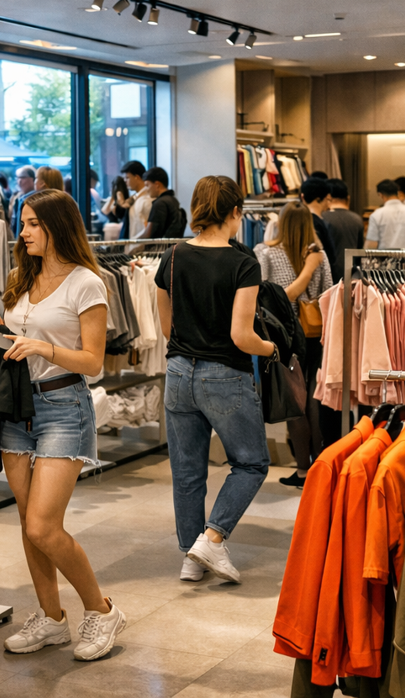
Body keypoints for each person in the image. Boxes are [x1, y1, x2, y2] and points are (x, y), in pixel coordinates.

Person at [0, 189, 124, 661]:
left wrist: (44, 348)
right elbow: (19, 339)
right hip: (18, 407)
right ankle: (52, 618)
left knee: (42, 525)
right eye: (23, 223)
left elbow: (93, 361)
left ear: (58, 226)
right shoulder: (22, 276)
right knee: (27, 520)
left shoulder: (86, 283)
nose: (24, 232)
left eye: (33, 223)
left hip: (63, 406)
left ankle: (101, 611)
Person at [155, 175, 274, 585]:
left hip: (177, 372)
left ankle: (191, 558)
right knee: (252, 463)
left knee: (187, 472)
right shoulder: (243, 263)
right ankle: (211, 538)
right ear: (235, 212)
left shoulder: (172, 257)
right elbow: (242, 336)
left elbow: (167, 326)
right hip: (224, 375)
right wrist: (271, 348)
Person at [255, 202, 331, 487]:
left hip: (283, 335)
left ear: (281, 222)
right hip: (316, 332)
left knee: (294, 398)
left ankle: (302, 470)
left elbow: (264, 296)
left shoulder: (265, 252)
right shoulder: (318, 255)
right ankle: (320, 467)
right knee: (314, 396)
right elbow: (329, 294)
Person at [322, 178, 364, 282]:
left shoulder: (322, 218)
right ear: (348, 198)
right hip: (351, 275)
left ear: (327, 197)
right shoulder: (357, 219)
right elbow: (360, 251)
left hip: (327, 275)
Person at [366, 178, 405, 250]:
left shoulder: (376, 215)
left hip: (385, 256)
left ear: (381, 195)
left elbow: (372, 244)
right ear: (397, 193)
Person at [294, 177, 338, 273]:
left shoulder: (300, 221)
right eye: (328, 199)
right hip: (318, 275)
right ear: (320, 199)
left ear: (303, 197)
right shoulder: (314, 222)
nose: (329, 203)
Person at [140, 166, 187, 239]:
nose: (146, 189)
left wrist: (133, 242)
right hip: (173, 245)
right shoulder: (173, 200)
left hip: (161, 246)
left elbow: (149, 234)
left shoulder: (160, 203)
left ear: (157, 185)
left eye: (147, 185)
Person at [121, 161, 152, 239]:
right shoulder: (135, 198)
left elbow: (148, 230)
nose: (125, 181)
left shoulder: (147, 200)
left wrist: (134, 242)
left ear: (137, 177)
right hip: (133, 243)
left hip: (139, 245)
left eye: (127, 177)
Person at [10, 165, 37, 237]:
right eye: (18, 178)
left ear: (33, 179)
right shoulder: (16, 197)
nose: (19, 181)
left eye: (23, 177)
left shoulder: (37, 199)